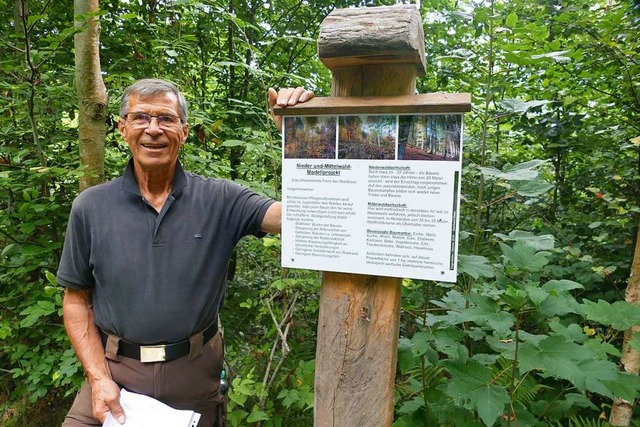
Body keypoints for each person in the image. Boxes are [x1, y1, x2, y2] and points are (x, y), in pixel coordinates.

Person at [57, 79, 314, 426]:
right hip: (115, 374)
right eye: (140, 118)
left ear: (184, 130)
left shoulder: (220, 200)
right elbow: (76, 300)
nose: (153, 129)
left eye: (165, 118)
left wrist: (302, 137)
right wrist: (99, 378)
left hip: (194, 374)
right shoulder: (90, 207)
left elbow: (302, 215)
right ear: (122, 128)